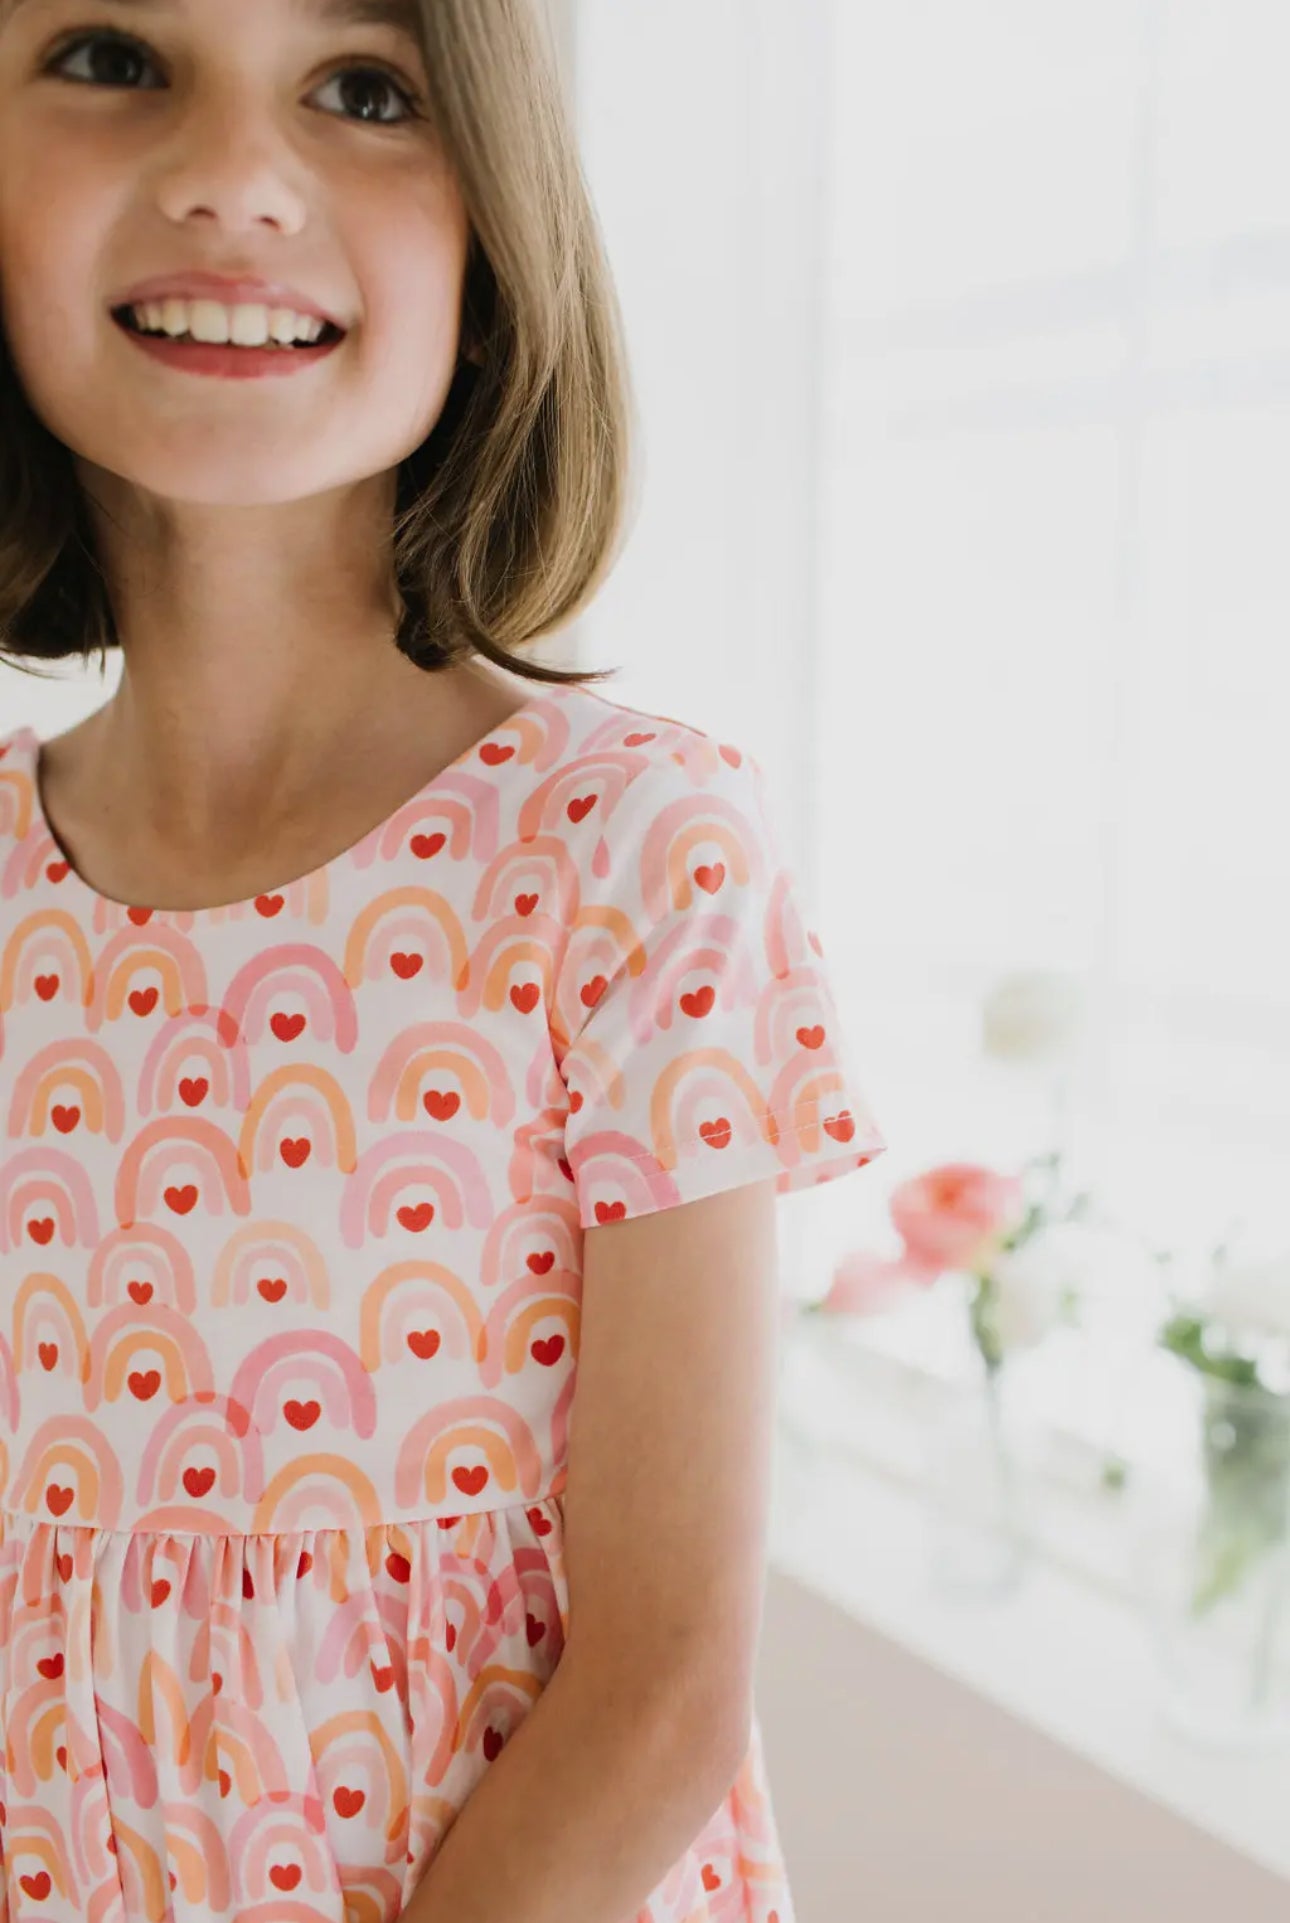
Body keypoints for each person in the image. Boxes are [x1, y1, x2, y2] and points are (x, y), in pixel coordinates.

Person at [0, 0, 888, 1917]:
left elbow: (663, 1687)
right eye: (107, 56)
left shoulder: (627, 849)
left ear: (493, 248)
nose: (234, 174)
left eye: (362, 88)